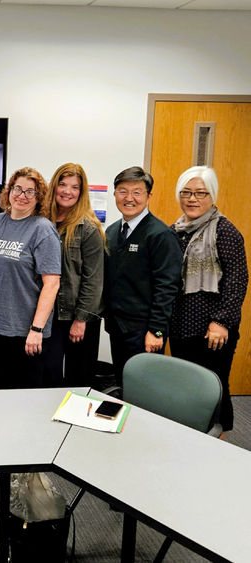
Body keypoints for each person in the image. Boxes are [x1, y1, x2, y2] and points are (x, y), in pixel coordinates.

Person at [168, 166, 248, 438]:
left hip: (213, 329)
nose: (192, 199)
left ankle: (219, 440)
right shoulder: (175, 230)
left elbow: (237, 280)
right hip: (180, 324)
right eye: (186, 192)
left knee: (214, 385)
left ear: (212, 196)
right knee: (187, 386)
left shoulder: (224, 231)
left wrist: (222, 322)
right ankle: (192, 438)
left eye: (201, 193)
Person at [0, 167, 61, 388]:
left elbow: (52, 283)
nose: (22, 195)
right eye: (17, 188)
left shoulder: (43, 230)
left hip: (26, 332)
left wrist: (37, 329)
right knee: (4, 386)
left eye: (31, 192)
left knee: (26, 394)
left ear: (39, 199)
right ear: (8, 191)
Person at [104, 166, 182, 385]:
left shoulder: (160, 235)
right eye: (122, 191)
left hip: (144, 330)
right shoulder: (111, 232)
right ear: (115, 194)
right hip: (118, 327)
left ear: (148, 196)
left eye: (137, 192)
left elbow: (167, 287)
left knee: (145, 388)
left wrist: (156, 331)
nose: (129, 198)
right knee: (122, 381)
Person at [41, 163, 106, 387]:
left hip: (79, 317)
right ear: (54, 187)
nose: (68, 191)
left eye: (75, 187)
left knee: (78, 379)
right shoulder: (42, 223)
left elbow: (94, 280)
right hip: (50, 315)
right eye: (63, 184)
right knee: (48, 376)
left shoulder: (88, 228)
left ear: (81, 192)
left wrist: (81, 319)